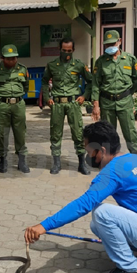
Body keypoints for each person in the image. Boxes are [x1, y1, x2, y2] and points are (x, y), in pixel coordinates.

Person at [24, 121, 137, 273]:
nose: (88, 156)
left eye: (89, 151)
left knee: (102, 213)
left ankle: (129, 269)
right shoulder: (135, 159)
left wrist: (44, 226)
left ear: (102, 151)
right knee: (96, 225)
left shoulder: (113, 172)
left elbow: (83, 204)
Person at [42, 37, 93, 175]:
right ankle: (56, 163)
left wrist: (84, 96)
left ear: (73, 50)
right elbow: (45, 81)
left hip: (73, 104)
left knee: (78, 133)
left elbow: (90, 82)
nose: (66, 53)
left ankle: (81, 163)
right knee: (55, 134)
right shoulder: (52, 65)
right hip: (57, 104)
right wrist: (47, 98)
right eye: (64, 50)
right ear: (59, 49)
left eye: (69, 50)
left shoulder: (79, 65)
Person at [92, 30, 137, 156]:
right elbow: (96, 84)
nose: (110, 47)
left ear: (119, 41)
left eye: (112, 44)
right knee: (108, 134)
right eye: (107, 45)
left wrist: (127, 93)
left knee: (130, 132)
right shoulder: (100, 62)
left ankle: (136, 159)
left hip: (124, 102)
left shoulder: (130, 59)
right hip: (107, 103)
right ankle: (109, 160)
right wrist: (96, 106)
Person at [0, 44, 30, 174]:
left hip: (18, 104)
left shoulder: (22, 69)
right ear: (2, 58)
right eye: (8, 58)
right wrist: (0, 99)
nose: (11, 61)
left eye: (14, 58)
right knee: (1, 133)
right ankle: (3, 159)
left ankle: (22, 160)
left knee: (20, 132)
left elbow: (26, 86)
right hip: (1, 105)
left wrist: (18, 97)